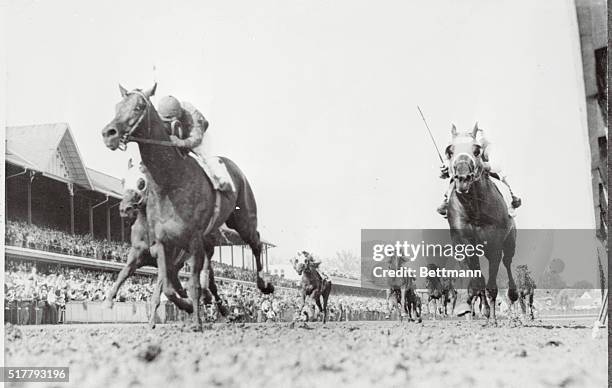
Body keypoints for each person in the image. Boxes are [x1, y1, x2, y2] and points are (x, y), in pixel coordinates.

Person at [437, 125, 521, 216]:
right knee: (455, 181)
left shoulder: (486, 147)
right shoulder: (458, 149)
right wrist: (445, 169)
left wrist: (484, 166)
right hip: (465, 174)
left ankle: (510, 202)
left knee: (501, 180)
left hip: (484, 173)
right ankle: (447, 202)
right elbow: (448, 164)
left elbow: (497, 165)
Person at [157, 95, 232, 191]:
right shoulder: (165, 111)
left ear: (177, 114)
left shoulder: (193, 115)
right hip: (179, 135)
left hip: (199, 137)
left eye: (168, 119)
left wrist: (180, 142)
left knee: (204, 157)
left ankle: (220, 178)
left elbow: (196, 138)